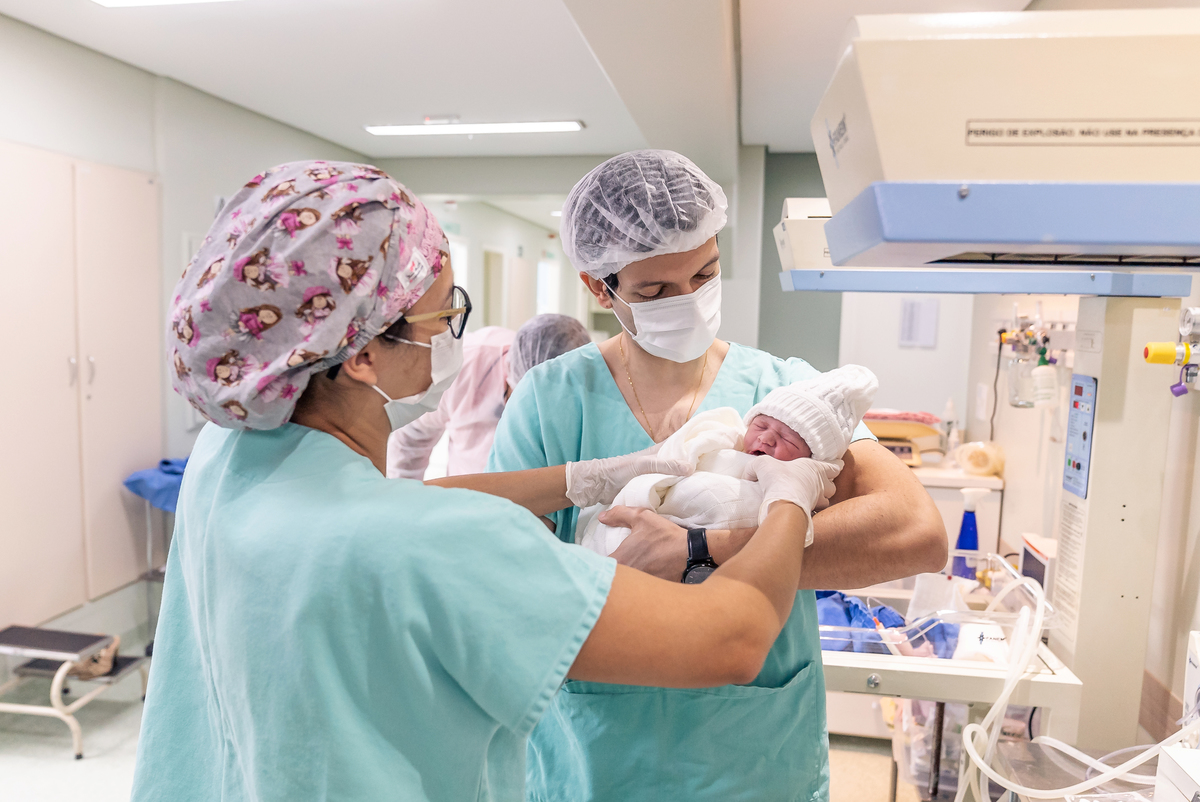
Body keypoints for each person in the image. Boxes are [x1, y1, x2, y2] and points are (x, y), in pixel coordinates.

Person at [131, 160, 840, 802]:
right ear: (362, 355)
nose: (456, 339)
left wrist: (585, 479)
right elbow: (734, 638)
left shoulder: (226, 459)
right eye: (445, 315)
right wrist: (789, 494)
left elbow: (383, 508)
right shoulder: (444, 543)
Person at [489, 150, 947, 801]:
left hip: (754, 754)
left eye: (705, 274)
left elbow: (916, 533)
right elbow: (508, 585)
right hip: (597, 755)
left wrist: (703, 549)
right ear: (599, 287)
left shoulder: (783, 390)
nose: (689, 301)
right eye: (655, 291)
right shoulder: (550, 400)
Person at [579, 364, 879, 557]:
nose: (766, 439)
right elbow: (683, 460)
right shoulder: (724, 441)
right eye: (761, 425)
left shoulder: (796, 483)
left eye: (788, 438)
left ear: (812, 458)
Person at [387, 315, 590, 479]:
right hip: (466, 499)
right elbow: (411, 438)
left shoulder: (579, 396)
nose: (527, 417)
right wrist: (406, 499)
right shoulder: (463, 367)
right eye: (525, 401)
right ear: (513, 376)